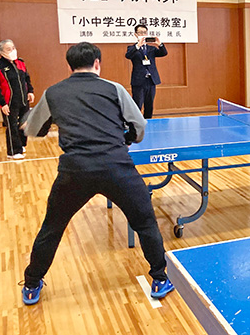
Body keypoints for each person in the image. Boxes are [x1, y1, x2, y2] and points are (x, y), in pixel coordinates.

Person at [21, 42, 174, 305]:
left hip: (74, 171)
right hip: (117, 167)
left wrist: (33, 123)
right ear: (97, 64)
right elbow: (139, 125)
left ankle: (33, 284)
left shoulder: (53, 92)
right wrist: (128, 138)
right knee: (145, 223)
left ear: (69, 67)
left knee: (52, 228)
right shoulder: (113, 88)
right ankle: (160, 278)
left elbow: (33, 130)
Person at [0, 39, 34, 159]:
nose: (12, 50)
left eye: (13, 47)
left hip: (23, 99)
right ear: (1, 52)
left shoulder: (20, 63)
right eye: (8, 49)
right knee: (12, 126)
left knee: (24, 123)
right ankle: (13, 151)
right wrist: (3, 103)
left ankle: (21, 145)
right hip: (9, 102)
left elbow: (26, 79)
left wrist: (30, 91)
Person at [125, 25, 168, 119]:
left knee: (149, 104)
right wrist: (137, 46)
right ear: (136, 34)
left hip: (151, 80)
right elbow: (128, 55)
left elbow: (163, 53)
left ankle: (149, 122)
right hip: (139, 81)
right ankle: (135, 123)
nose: (143, 34)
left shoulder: (151, 49)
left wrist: (159, 44)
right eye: (140, 32)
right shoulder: (131, 48)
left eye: (145, 32)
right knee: (137, 104)